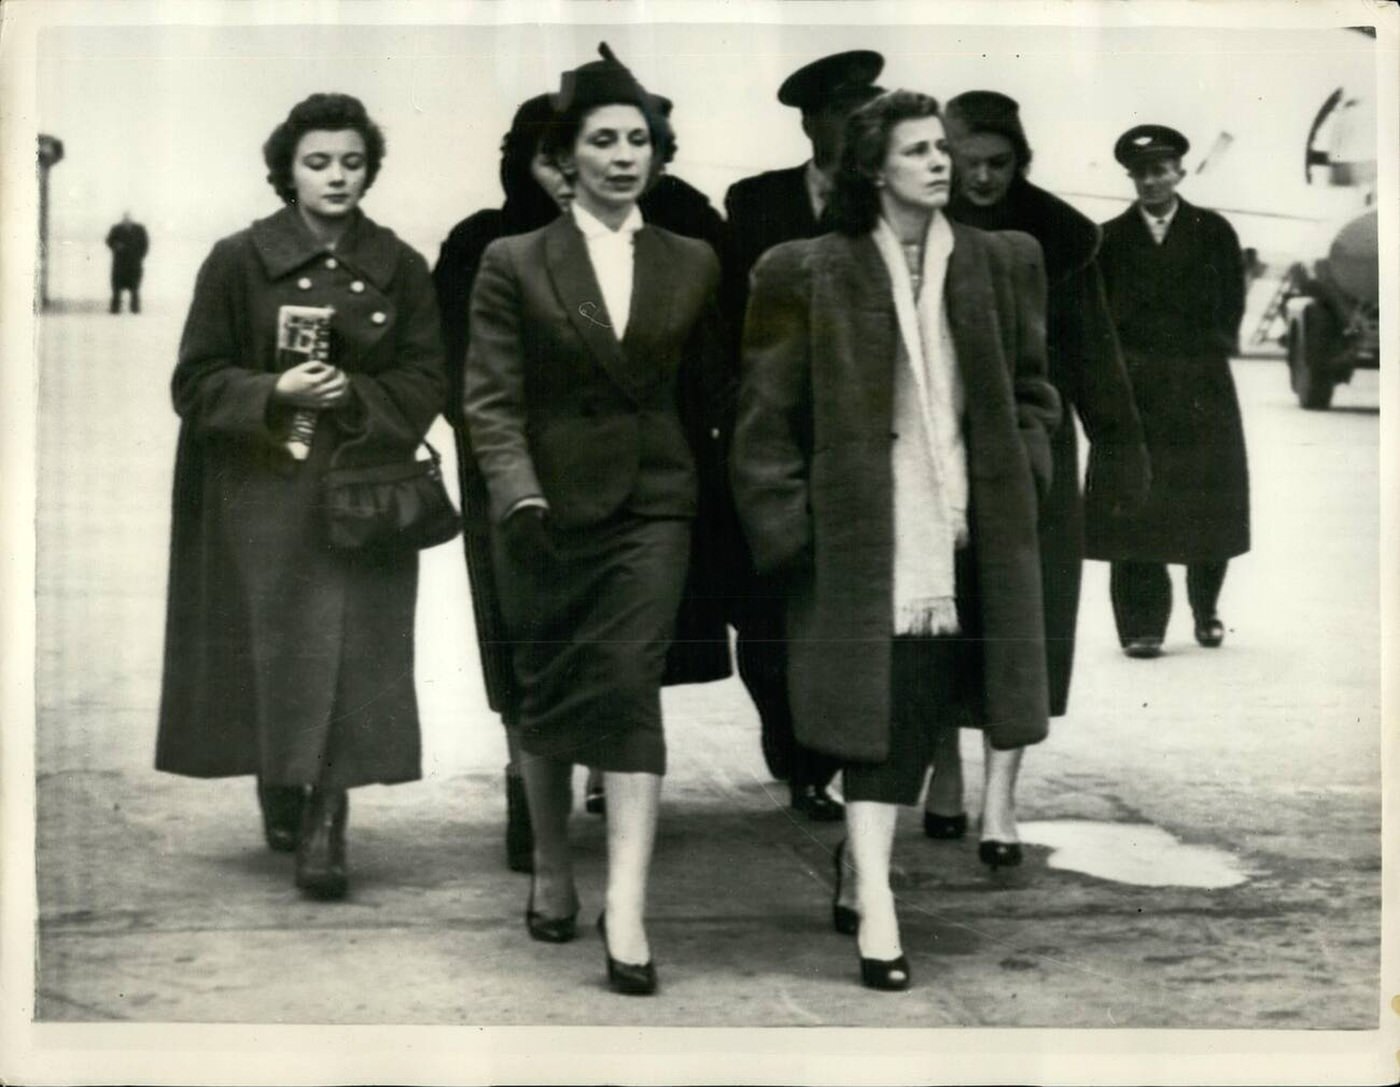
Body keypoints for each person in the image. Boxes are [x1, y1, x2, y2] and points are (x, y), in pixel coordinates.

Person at [730, 90, 1059, 991]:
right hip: (867, 547)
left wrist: (1022, 472)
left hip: (974, 535)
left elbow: (1036, 388)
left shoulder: (1001, 260)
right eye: (917, 150)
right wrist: (793, 531)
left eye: (942, 147)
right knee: (884, 723)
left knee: (931, 713)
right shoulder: (804, 269)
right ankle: (876, 896)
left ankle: (861, 869)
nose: (941, 162)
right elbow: (763, 420)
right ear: (874, 168)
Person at [464, 47, 726, 996]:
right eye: (603, 140)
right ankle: (552, 866)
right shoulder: (515, 259)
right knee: (544, 688)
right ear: (564, 157)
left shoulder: (690, 261)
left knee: (625, 683)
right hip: (540, 510)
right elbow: (488, 399)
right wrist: (517, 489)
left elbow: (712, 388)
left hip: (652, 506)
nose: (624, 156)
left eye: (639, 141)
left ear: (659, 154)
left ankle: (627, 906)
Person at [156, 94, 447, 901]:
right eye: (318, 161)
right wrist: (272, 388)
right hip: (258, 489)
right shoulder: (237, 259)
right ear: (287, 169)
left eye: (352, 162)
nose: (337, 176)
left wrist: (354, 394)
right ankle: (280, 778)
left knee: (351, 652)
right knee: (271, 643)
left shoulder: (400, 264)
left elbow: (427, 378)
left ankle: (327, 816)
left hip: (362, 489)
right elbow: (194, 381)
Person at [926, 91, 1151, 867]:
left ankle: (1001, 802)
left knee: (1023, 627)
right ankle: (944, 773)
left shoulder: (1062, 238)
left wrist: (1119, 447)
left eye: (999, 163)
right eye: (965, 163)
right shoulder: (913, 223)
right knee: (937, 618)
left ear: (1021, 160)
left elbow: (1093, 351)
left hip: (1034, 455)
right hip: (935, 452)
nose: (981, 179)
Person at [722, 49, 885, 822]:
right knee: (764, 611)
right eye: (846, 116)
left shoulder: (895, 201)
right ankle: (792, 747)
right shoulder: (754, 203)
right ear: (811, 122)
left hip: (864, 440)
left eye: (870, 116)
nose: (859, 129)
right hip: (778, 432)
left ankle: (826, 762)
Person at [1090, 125, 1249, 657]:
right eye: (1141, 173)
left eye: (1160, 170)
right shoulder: (1107, 239)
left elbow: (1231, 305)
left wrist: (1201, 357)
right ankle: (1142, 627)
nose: (1151, 181)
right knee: (1133, 506)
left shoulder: (1213, 232)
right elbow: (1097, 316)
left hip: (1200, 388)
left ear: (1179, 172)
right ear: (1130, 178)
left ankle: (1206, 610)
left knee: (1209, 501)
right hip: (1133, 393)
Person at [106, 211, 149, 313]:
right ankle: (115, 309)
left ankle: (135, 308)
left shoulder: (139, 229)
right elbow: (109, 241)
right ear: (123, 219)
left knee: (135, 288)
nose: (127, 220)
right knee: (116, 288)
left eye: (128, 218)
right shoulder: (116, 229)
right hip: (119, 264)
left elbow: (145, 244)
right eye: (125, 218)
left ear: (132, 219)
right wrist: (116, 245)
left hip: (134, 264)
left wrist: (140, 256)